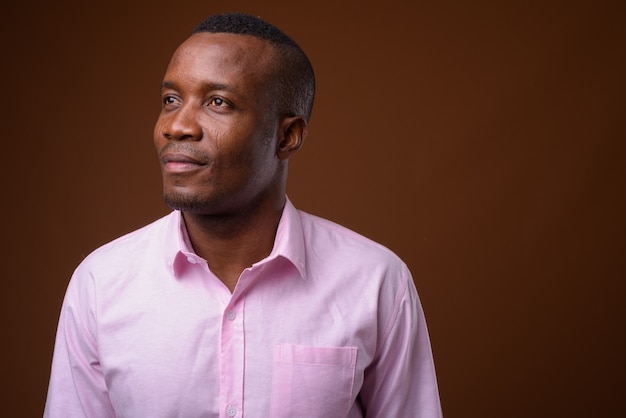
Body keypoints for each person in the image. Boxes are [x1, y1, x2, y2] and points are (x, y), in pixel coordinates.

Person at [44, 12, 442, 418]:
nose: (177, 126)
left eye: (218, 102)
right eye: (171, 100)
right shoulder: (101, 283)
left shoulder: (375, 282)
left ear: (287, 136)